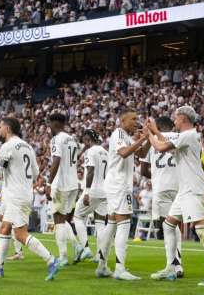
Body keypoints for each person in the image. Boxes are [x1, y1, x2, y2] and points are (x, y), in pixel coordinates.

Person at [148, 106, 204, 287]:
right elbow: (165, 141)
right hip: (184, 190)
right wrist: (156, 132)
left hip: (193, 188)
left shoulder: (188, 135)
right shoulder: (187, 137)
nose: (174, 121)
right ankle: (170, 267)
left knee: (201, 230)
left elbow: (160, 146)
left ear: (183, 118)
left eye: (176, 118)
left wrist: (150, 133)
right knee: (168, 224)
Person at [0, 117, 59, 279]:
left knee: (20, 234)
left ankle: (51, 260)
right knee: (5, 227)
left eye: (0, 127)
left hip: (15, 196)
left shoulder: (7, 146)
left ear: (7, 128)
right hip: (24, 194)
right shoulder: (28, 147)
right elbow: (35, 174)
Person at [96, 110, 149, 280]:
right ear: (123, 120)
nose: (136, 121)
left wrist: (147, 138)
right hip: (118, 184)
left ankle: (102, 266)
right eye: (133, 119)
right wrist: (142, 138)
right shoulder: (118, 133)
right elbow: (124, 152)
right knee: (124, 222)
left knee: (111, 225)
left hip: (115, 184)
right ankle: (120, 268)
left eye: (137, 119)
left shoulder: (126, 137)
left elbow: (141, 154)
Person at [140, 116, 184, 277]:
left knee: (168, 227)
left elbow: (143, 170)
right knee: (176, 225)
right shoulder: (180, 137)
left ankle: (172, 265)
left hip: (161, 188)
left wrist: (157, 175)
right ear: (172, 126)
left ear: (157, 126)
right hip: (180, 186)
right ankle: (177, 265)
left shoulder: (151, 139)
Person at [45, 113, 82, 266]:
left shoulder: (56, 139)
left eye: (49, 124)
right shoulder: (73, 139)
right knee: (64, 219)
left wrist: (48, 183)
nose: (48, 127)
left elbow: (56, 160)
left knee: (58, 220)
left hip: (61, 184)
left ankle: (65, 255)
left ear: (54, 123)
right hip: (74, 183)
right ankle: (76, 247)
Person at [72, 129, 108, 263]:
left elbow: (90, 171)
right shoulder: (106, 152)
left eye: (84, 141)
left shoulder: (90, 151)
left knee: (78, 216)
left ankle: (86, 248)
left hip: (93, 190)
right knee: (100, 223)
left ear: (87, 139)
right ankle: (100, 255)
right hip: (105, 192)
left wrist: (86, 191)